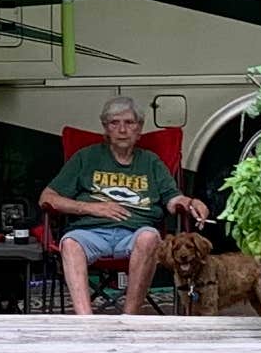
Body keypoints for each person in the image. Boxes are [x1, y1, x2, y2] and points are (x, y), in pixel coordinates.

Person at [44, 98, 208, 315]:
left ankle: (129, 319)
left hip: (135, 234)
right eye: (114, 123)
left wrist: (191, 203)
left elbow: (172, 199)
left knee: (150, 238)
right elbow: (48, 197)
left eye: (130, 123)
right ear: (106, 128)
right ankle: (85, 322)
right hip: (90, 233)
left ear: (139, 129)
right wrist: (91, 208)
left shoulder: (151, 162)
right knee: (70, 243)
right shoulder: (86, 157)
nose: (122, 129)